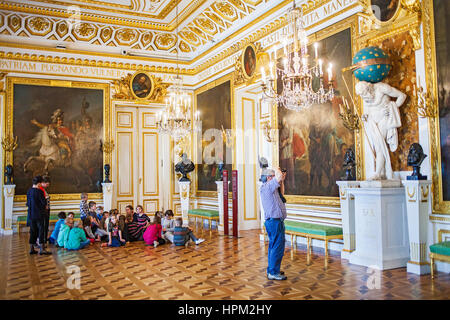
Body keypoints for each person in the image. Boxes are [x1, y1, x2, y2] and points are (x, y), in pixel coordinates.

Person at [260, 167, 287, 280]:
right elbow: (278, 177)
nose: (275, 178)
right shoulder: (267, 187)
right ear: (268, 178)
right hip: (274, 222)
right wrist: (277, 169)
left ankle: (273, 269)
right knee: (276, 247)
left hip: (276, 222)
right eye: (272, 176)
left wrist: (282, 180)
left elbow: (282, 192)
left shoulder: (272, 188)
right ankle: (273, 272)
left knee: (275, 247)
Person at [26, 176, 51, 255]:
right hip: (40, 214)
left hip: (31, 214)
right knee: (41, 231)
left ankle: (31, 248)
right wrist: (45, 206)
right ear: (39, 183)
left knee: (33, 231)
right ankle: (42, 249)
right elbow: (44, 203)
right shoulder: (39, 192)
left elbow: (27, 203)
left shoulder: (29, 191)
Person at [39, 175, 51, 244]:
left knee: (46, 225)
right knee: (43, 226)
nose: (47, 186)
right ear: (43, 182)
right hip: (44, 211)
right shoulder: (40, 189)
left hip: (46, 210)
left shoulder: (43, 189)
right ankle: (43, 240)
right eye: (47, 184)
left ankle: (44, 238)